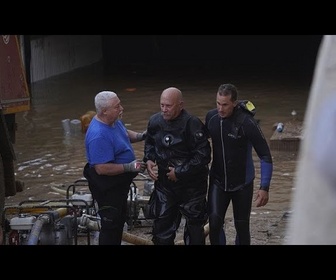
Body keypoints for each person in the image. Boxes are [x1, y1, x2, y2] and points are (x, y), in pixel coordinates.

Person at [205, 83, 273, 245]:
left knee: (241, 226)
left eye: (225, 105)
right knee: (214, 223)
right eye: (218, 103)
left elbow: (265, 155)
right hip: (218, 181)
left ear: (234, 103)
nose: (220, 109)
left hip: (242, 183)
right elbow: (199, 144)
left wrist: (264, 187)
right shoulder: (212, 118)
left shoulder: (247, 123)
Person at [143, 87, 211, 245]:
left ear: (180, 105)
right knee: (162, 227)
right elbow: (150, 144)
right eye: (162, 105)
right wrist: (149, 160)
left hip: (192, 186)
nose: (164, 110)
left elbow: (203, 155)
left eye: (168, 106)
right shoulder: (155, 121)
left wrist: (180, 172)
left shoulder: (192, 124)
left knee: (195, 227)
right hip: (165, 186)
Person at [83, 90, 146, 245]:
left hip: (119, 184)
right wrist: (129, 167)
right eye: (117, 106)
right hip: (108, 186)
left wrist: (140, 136)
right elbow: (102, 168)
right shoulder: (98, 135)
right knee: (110, 225)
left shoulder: (113, 120)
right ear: (104, 111)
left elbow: (123, 133)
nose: (121, 108)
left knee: (119, 219)